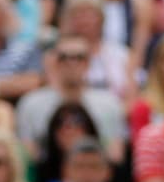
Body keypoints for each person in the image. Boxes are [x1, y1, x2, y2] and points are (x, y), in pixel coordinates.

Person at [16, 34, 126, 171]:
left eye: (79, 58)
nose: (72, 63)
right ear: (54, 62)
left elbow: (115, 155)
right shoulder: (31, 104)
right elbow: (27, 157)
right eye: (64, 58)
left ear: (88, 62)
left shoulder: (109, 103)